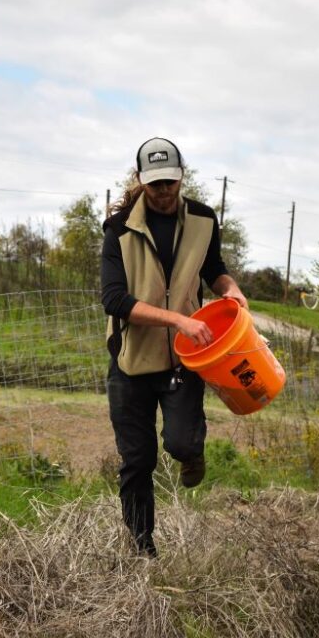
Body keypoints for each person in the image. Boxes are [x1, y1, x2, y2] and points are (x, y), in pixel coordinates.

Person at [101, 137, 247, 556]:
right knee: (137, 461)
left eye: (170, 182)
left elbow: (214, 268)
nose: (164, 192)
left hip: (185, 358)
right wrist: (179, 318)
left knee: (181, 443)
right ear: (141, 181)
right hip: (131, 361)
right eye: (155, 184)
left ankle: (191, 452)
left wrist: (230, 289)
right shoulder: (119, 230)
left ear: (182, 176)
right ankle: (142, 549)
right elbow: (115, 301)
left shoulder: (204, 220)